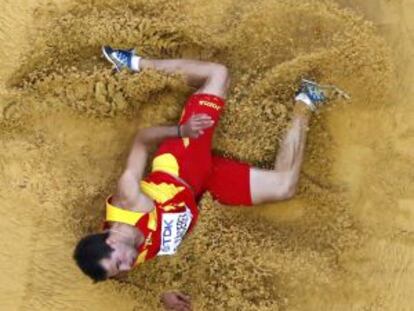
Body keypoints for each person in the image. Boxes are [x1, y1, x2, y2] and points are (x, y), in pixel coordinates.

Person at [74, 46, 348, 311]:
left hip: (183, 160)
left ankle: (134, 63)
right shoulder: (121, 264)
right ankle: (307, 99)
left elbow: (142, 140)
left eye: (119, 263)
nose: (127, 266)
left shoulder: (128, 201)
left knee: (218, 74)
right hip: (202, 190)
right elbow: (130, 278)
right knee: (284, 187)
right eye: (119, 270)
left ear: (110, 240)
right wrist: (163, 295)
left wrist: (182, 130)